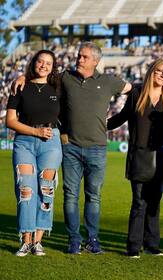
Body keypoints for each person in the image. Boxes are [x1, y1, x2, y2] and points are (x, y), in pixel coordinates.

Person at [13, 42, 132, 254]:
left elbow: (134, 91)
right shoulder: (66, 78)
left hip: (97, 148)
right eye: (79, 56)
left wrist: (114, 122)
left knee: (94, 196)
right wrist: (22, 77)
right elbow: (40, 76)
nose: (79, 59)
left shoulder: (109, 81)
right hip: (70, 147)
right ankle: (74, 240)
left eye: (84, 57)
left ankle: (93, 239)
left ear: (95, 61)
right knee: (70, 196)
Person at [107, 59, 163, 258]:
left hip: (162, 157)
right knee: (139, 202)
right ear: (151, 71)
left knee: (154, 202)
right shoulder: (137, 93)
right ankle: (133, 246)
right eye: (159, 71)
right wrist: (99, 125)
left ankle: (151, 244)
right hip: (139, 155)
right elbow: (120, 117)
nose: (162, 75)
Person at [6, 50, 62, 256]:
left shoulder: (58, 86)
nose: (44, 66)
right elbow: (10, 120)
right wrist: (35, 131)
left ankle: (38, 241)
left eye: (49, 63)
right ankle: (26, 239)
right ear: (34, 62)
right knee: (26, 189)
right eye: (41, 61)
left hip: (51, 142)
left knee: (46, 190)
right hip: (25, 142)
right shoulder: (20, 86)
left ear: (52, 66)